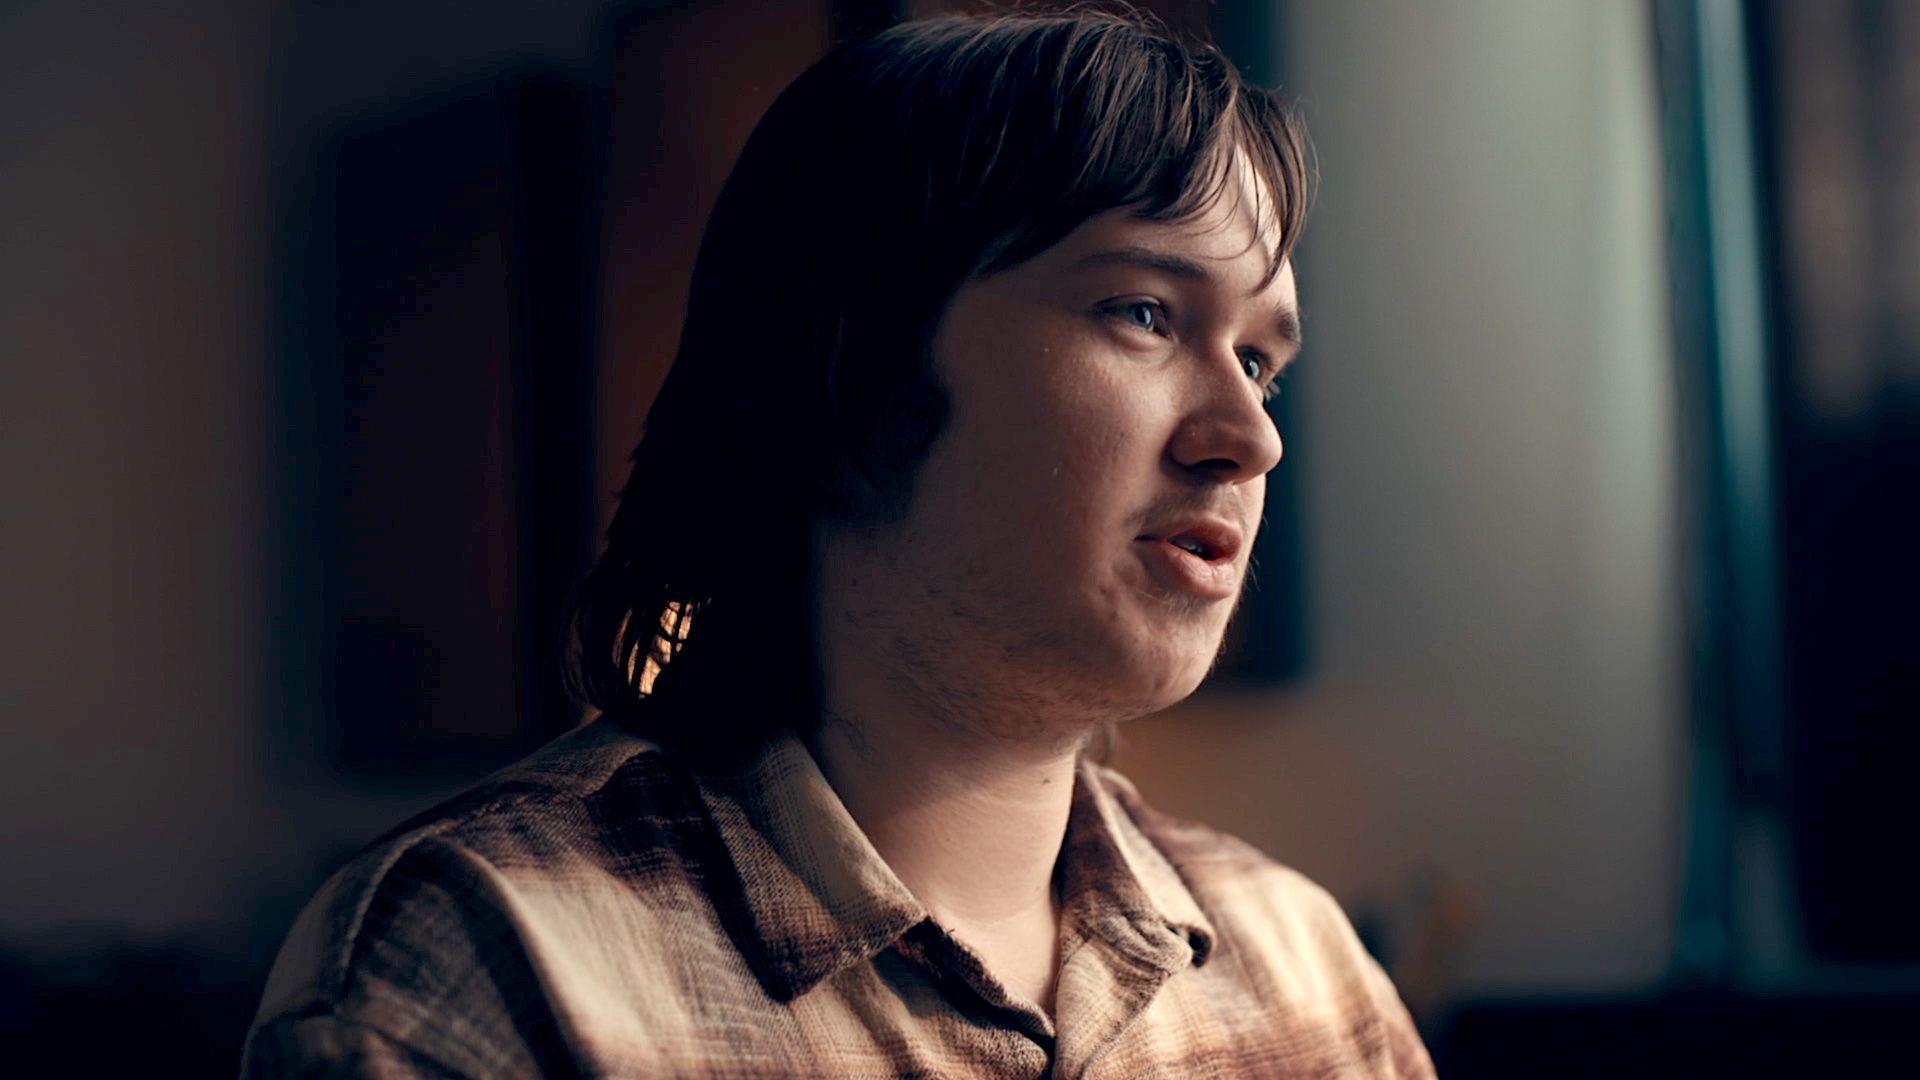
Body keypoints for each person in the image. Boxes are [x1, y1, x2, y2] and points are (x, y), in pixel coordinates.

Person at [243, 10, 1435, 1078]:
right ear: (849, 373)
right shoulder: (487, 971)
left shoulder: (1308, 974)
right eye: (1142, 312)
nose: (1248, 438)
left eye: (1261, 363)